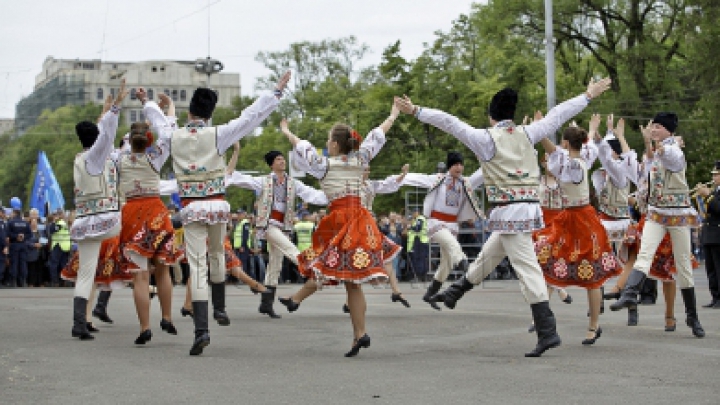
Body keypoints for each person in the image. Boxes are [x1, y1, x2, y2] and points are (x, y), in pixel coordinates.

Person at [395, 78, 612, 357]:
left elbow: (449, 122)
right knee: (490, 254)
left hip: (509, 212)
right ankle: (455, 293)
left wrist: (416, 111)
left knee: (528, 268)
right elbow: (558, 114)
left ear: (491, 115)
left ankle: (548, 332)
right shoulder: (528, 132)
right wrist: (587, 95)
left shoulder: (485, 139)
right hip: (527, 209)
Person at [142, 71, 290, 355]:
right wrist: (275, 93)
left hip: (191, 206)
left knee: (196, 266)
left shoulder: (174, 136)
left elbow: (162, 124)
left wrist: (148, 103)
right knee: (217, 255)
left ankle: (201, 330)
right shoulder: (218, 134)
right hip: (217, 204)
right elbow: (249, 118)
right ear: (210, 114)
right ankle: (220, 308)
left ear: (190, 110)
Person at [277, 101, 401, 357]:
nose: (326, 143)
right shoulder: (361, 158)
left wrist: (288, 132)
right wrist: (393, 115)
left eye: (329, 139)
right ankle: (359, 334)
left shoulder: (324, 165)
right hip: (361, 220)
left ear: (334, 144)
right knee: (353, 283)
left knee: (345, 278)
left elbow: (302, 147)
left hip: (339, 222)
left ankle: (357, 332)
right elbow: (378, 135)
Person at [610, 113, 705, 338]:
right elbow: (648, 170)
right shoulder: (655, 154)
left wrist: (660, 146)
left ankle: (692, 315)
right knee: (644, 254)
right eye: (652, 126)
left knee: (682, 265)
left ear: (669, 131)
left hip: (678, 215)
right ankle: (630, 293)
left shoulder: (675, 150)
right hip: (656, 214)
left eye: (658, 126)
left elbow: (671, 157)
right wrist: (649, 144)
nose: (654, 129)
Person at [535, 124, 623, 345]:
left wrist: (540, 131)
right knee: (549, 261)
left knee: (590, 273)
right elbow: (583, 145)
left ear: (566, 143)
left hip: (580, 219)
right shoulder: (584, 155)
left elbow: (554, 152)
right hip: (574, 217)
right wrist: (591, 129)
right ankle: (582, 324)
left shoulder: (573, 164)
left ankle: (593, 325)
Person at [225, 147, 327, 319]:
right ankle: (309, 265)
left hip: (283, 225)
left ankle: (266, 304)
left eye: (283, 158)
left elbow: (312, 194)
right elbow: (239, 178)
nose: (282, 161)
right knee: (290, 249)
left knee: (275, 265)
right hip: (268, 224)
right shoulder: (264, 181)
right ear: (272, 164)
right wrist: (235, 154)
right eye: (279, 159)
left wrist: (333, 195)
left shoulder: (293, 183)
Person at [117, 89, 183, 345]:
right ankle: (167, 316)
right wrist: (161, 107)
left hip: (132, 212)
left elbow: (125, 142)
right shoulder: (156, 157)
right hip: (156, 211)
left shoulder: (119, 158)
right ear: (148, 138)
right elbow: (168, 133)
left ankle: (145, 326)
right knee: (163, 269)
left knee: (140, 275)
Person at [69, 81, 127, 340]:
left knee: (86, 272)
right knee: (137, 233)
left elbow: (98, 135)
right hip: (107, 220)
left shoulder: (80, 159)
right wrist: (114, 109)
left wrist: (104, 113)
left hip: (84, 221)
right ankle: (143, 279)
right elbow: (104, 137)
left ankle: (79, 322)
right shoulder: (97, 156)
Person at [402, 153, 484, 310]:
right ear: (449, 166)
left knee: (446, 264)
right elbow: (419, 178)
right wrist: (403, 176)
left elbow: (483, 173)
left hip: (452, 225)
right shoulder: (439, 179)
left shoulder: (466, 182)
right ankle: (465, 266)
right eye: (455, 164)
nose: (459, 167)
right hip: (436, 223)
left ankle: (430, 293)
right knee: (452, 245)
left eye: (461, 164)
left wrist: (493, 160)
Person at [696, 161, 720, 308]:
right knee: (710, 269)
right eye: (714, 175)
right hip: (708, 233)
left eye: (717, 174)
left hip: (718, 233)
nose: (714, 177)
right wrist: (702, 197)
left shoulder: (714, 193)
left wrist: (709, 195)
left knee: (718, 268)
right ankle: (715, 296)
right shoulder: (715, 191)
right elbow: (705, 212)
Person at [6, 197, 31, 288]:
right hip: (23, 245)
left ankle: (14, 282)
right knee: (23, 263)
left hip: (14, 245)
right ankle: (23, 282)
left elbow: (7, 234)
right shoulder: (25, 223)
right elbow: (30, 234)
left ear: (14, 212)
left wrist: (16, 237)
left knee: (14, 263)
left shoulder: (11, 222)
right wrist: (23, 237)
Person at [47, 214, 71, 287]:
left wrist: (53, 222)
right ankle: (65, 281)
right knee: (64, 264)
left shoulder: (59, 224)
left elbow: (51, 230)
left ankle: (55, 282)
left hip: (58, 245)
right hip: (66, 246)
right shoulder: (65, 224)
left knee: (53, 264)